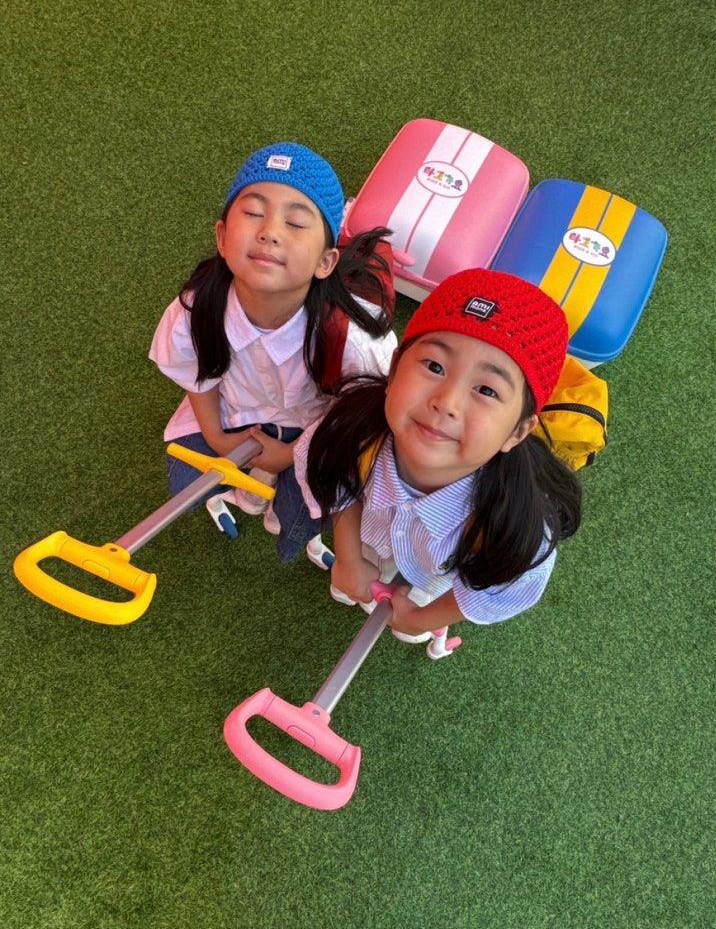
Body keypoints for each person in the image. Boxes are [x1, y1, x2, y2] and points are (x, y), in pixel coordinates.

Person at [294, 268, 582, 641]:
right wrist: (348, 558)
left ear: (517, 431)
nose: (447, 402)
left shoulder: (516, 525)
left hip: (438, 571)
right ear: (395, 369)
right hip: (368, 538)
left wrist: (423, 619)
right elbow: (335, 476)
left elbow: (504, 589)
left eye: (487, 390)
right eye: (435, 366)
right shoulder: (351, 430)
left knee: (415, 606)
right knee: (360, 578)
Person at [149, 141, 397, 565]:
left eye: (296, 222)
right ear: (222, 238)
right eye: (252, 213)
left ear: (326, 262)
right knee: (187, 480)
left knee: (300, 513)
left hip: (315, 431)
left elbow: (361, 414)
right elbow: (194, 373)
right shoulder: (196, 308)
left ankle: (278, 505)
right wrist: (216, 436)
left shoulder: (354, 337)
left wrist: (290, 455)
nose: (270, 231)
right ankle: (248, 488)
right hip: (236, 412)